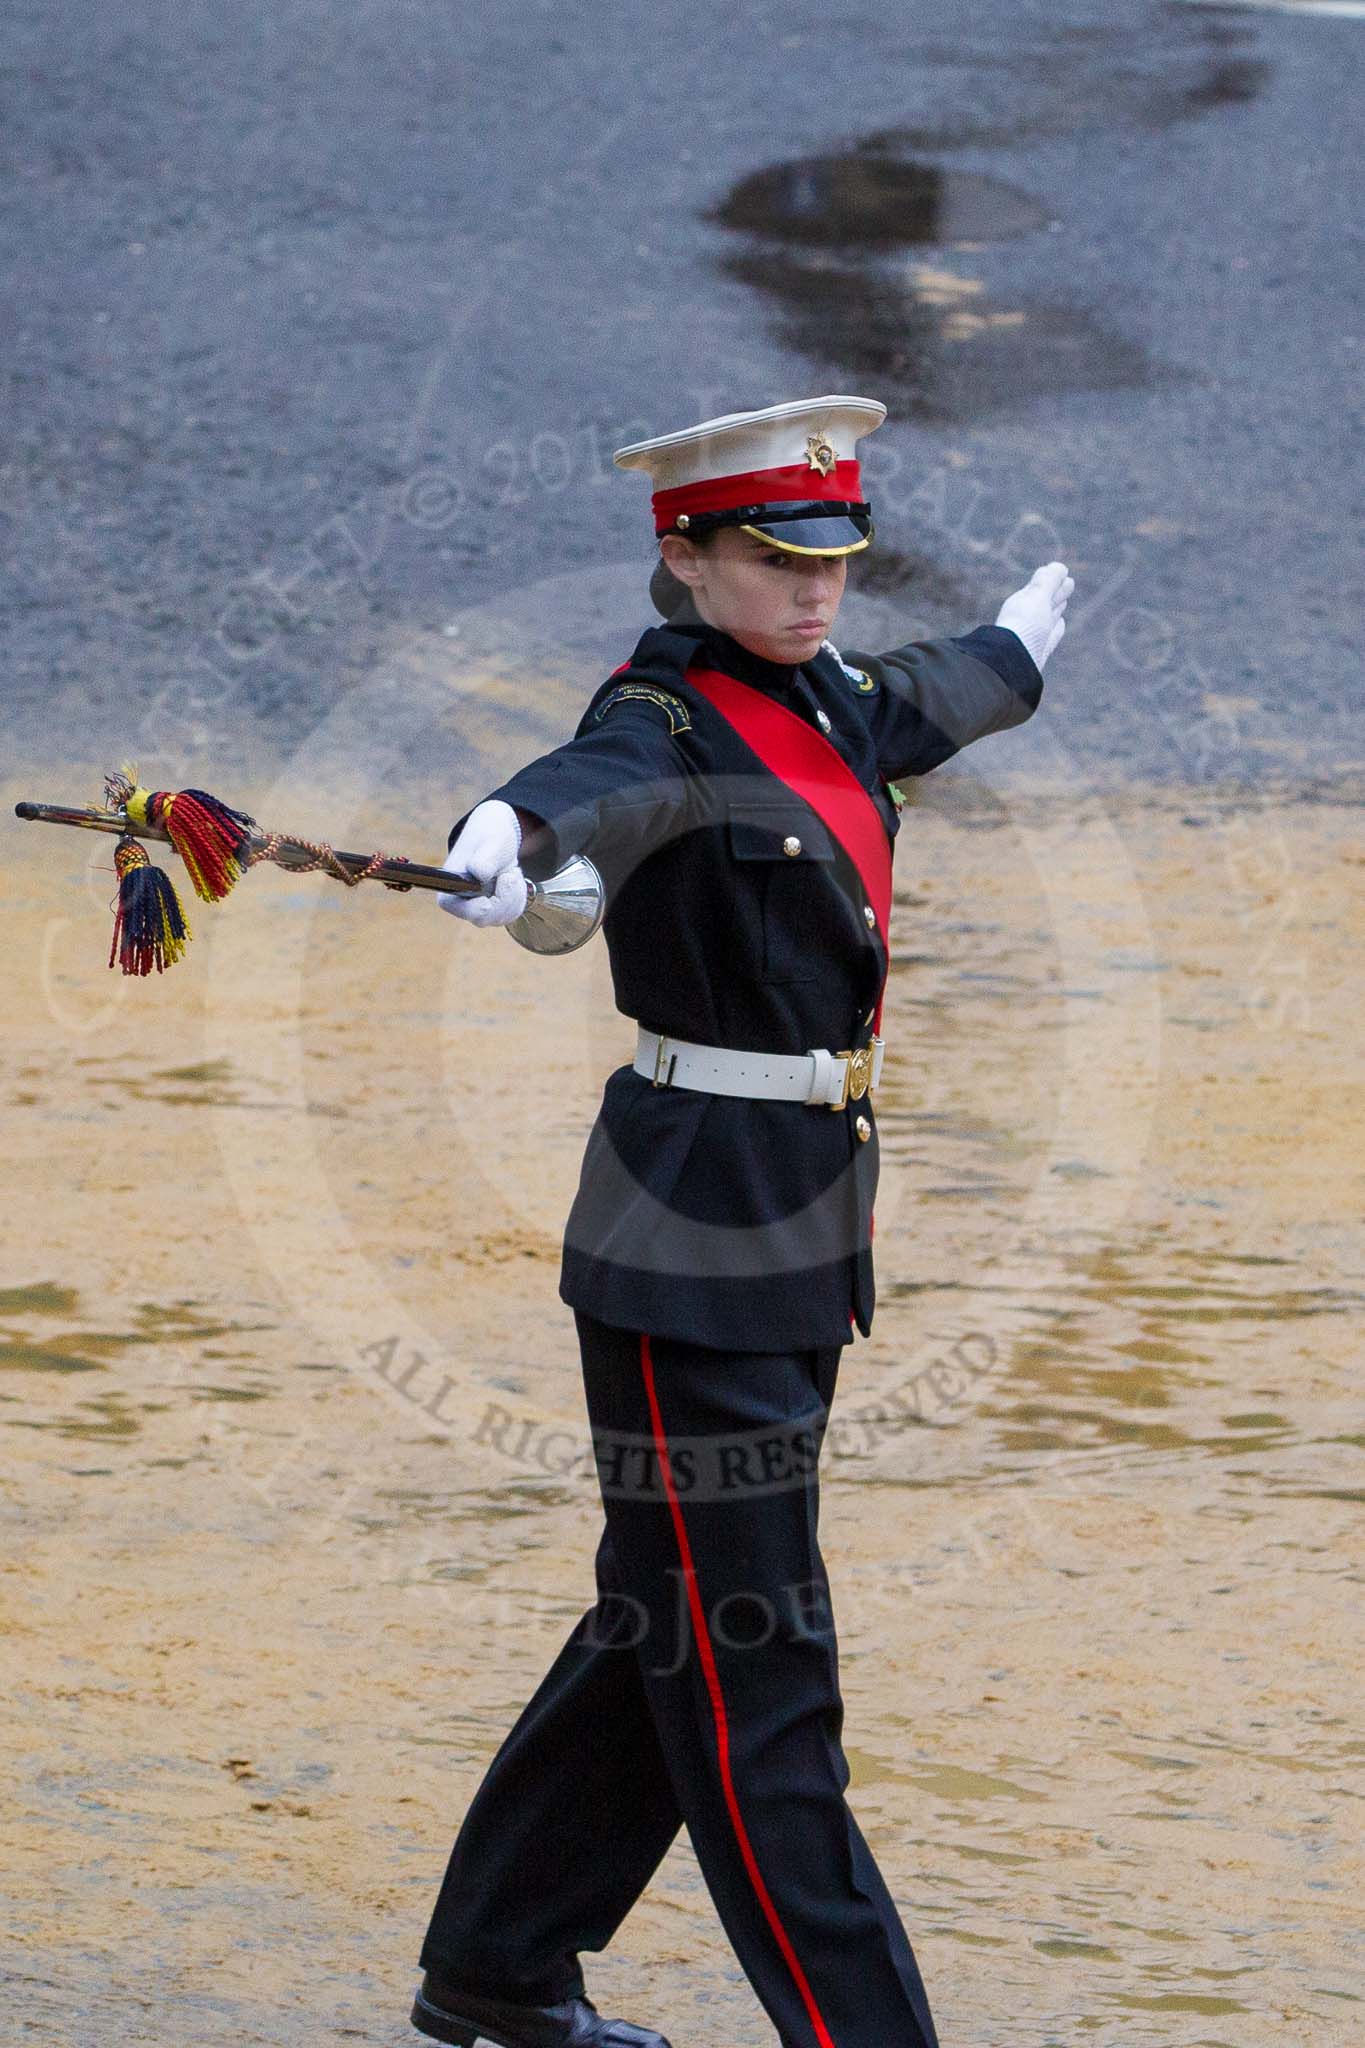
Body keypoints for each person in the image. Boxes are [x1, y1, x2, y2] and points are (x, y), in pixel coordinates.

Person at [411, 396, 1072, 2048]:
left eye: (832, 558)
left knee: (674, 1613)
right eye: (775, 559)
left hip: (797, 1230)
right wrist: (516, 833)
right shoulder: (663, 712)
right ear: (688, 561)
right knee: (758, 1667)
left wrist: (1015, 652)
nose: (813, 588)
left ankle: (497, 1967)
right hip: (687, 1248)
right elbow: (602, 780)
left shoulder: (828, 694)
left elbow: (922, 702)